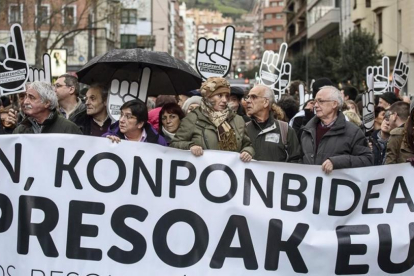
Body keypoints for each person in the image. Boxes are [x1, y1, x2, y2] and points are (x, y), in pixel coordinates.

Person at [171, 77, 254, 162]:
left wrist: (247, 151)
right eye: (219, 95)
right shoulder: (193, 118)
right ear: (208, 96)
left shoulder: (238, 120)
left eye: (227, 96)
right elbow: (175, 144)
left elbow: (247, 145)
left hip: (229, 172)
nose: (225, 100)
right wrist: (190, 146)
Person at [301, 86, 373, 174]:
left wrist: (337, 162)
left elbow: (367, 160)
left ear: (334, 104)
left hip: (338, 186)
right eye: (315, 101)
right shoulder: (307, 131)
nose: (315, 105)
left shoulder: (353, 132)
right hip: (310, 185)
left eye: (320, 101)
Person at [245, 85, 301, 162]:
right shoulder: (244, 129)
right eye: (248, 97)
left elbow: (296, 161)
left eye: (253, 97)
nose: (248, 101)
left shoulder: (285, 130)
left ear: (266, 102)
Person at [13, 81, 82, 134]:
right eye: (25, 97)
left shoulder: (68, 129)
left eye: (31, 97)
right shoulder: (20, 130)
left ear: (47, 103)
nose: (25, 102)